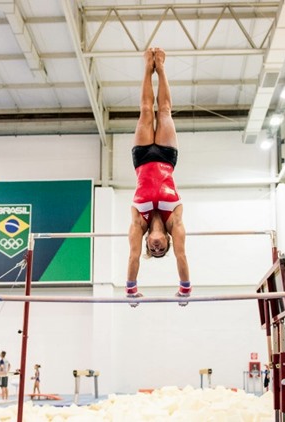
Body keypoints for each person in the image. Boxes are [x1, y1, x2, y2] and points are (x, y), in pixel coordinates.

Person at [126, 47, 190, 306]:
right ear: (167, 241)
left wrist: (130, 291)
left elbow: (132, 256)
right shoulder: (175, 221)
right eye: (161, 248)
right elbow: (182, 256)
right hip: (166, 157)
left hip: (141, 159)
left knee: (144, 110)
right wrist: (185, 290)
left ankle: (146, 65)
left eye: (153, 250)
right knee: (164, 111)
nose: (156, 248)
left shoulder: (137, 224)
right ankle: (160, 66)